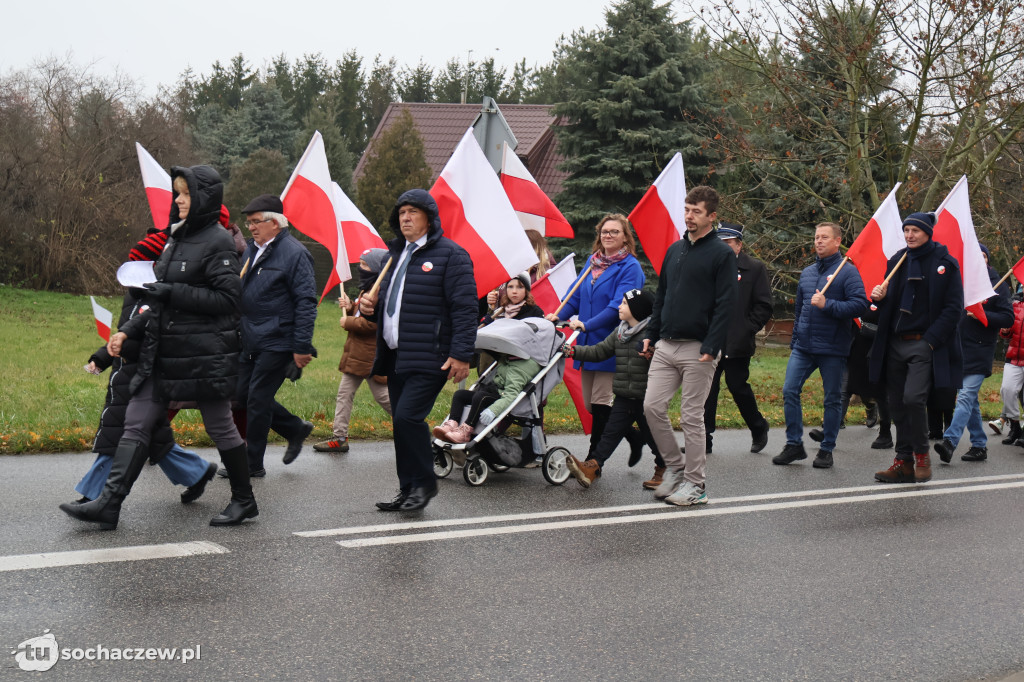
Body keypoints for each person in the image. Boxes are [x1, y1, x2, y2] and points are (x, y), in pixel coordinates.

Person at [60, 165, 255, 528]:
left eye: (184, 194)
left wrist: (174, 292)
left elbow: (230, 300)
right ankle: (109, 505)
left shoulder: (218, 241)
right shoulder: (175, 239)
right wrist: (127, 332)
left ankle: (244, 500)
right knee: (135, 420)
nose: (178, 200)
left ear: (202, 199)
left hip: (203, 356)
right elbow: (157, 301)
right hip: (163, 353)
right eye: (177, 193)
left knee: (220, 426)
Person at [69, 228, 217, 507]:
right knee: (153, 438)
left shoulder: (163, 298)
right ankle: (196, 472)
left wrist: (122, 348)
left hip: (144, 378)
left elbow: (155, 341)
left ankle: (92, 496)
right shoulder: (134, 295)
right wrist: (103, 356)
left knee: (118, 437)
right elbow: (125, 333)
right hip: (125, 374)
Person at [359, 189, 477, 512]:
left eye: (412, 212)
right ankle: (408, 487)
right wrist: (369, 306)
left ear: (429, 218)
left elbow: (465, 308)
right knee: (400, 422)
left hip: (432, 355)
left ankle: (425, 484)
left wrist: (462, 354)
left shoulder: (452, 255)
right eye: (401, 213)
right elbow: (389, 303)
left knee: (409, 417)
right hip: (397, 354)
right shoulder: (393, 256)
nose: (405, 218)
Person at [642, 186, 737, 506]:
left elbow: (726, 305)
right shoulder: (675, 250)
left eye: (696, 211)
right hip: (667, 345)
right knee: (651, 407)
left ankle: (697, 486)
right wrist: (651, 335)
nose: (689, 216)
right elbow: (662, 298)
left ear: (712, 216)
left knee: (691, 417)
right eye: (686, 209)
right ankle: (675, 467)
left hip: (700, 348)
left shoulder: (722, 254)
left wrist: (712, 345)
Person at [226, 194, 316, 478]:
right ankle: (293, 428)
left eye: (257, 222)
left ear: (275, 223)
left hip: (278, 339)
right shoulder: (253, 250)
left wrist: (301, 346)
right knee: (241, 394)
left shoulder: (295, 253)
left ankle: (250, 465)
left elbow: (305, 302)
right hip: (250, 338)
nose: (251, 228)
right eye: (249, 222)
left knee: (257, 399)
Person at [870, 212, 963, 483]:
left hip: (924, 343)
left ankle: (922, 454)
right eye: (906, 230)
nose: (910, 235)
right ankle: (903, 462)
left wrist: (931, 340)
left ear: (928, 233)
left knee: (914, 398)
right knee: (896, 403)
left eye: (915, 230)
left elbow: (953, 308)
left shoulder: (945, 263)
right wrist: (879, 298)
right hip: (895, 343)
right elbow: (884, 307)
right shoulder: (897, 261)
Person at [546, 214, 645, 462]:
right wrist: (557, 317)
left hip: (613, 343)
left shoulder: (630, 267)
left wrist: (587, 325)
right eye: (604, 231)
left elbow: (617, 307)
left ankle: (593, 460)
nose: (608, 236)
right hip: (587, 342)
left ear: (625, 237)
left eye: (614, 232)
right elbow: (575, 296)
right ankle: (634, 436)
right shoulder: (593, 262)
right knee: (593, 406)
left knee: (601, 404)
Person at [773, 223, 867, 469]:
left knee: (832, 399)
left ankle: (826, 450)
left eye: (824, 237)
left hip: (833, 348)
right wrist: (795, 340)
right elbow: (800, 310)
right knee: (789, 391)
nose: (819, 241)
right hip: (804, 347)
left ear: (837, 241)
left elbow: (860, 305)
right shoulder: (807, 273)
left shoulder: (847, 272)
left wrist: (829, 304)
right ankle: (794, 444)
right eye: (816, 237)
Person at [564, 289, 666, 488]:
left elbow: (665, 362)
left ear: (637, 309)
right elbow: (599, 351)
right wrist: (574, 351)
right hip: (624, 395)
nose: (619, 307)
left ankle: (665, 469)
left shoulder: (652, 334)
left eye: (624, 304)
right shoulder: (620, 332)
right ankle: (592, 467)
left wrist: (653, 355)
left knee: (653, 437)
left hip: (647, 397)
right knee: (609, 434)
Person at [934, 244, 1012, 463]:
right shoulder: (959, 282)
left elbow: (1007, 318)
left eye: (983, 255)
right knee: (971, 401)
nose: (979, 259)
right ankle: (979, 445)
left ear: (987, 260)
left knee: (965, 396)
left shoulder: (998, 286)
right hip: (958, 347)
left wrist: (981, 315)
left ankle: (949, 442)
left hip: (981, 349)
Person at [703, 222, 774, 455]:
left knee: (737, 387)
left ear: (739, 245)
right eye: (719, 243)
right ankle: (705, 438)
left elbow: (764, 306)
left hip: (737, 341)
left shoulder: (754, 268)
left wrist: (746, 328)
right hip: (711, 340)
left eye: (728, 243)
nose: (722, 247)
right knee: (707, 390)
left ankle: (758, 426)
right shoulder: (710, 267)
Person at [314, 249, 393, 454]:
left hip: (368, 356)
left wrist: (348, 321)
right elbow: (360, 315)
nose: (360, 268)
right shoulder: (366, 291)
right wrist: (350, 307)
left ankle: (411, 425)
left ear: (376, 268)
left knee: (383, 397)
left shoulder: (378, 294)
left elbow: (375, 325)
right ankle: (340, 437)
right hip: (356, 354)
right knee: (344, 394)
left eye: (365, 265)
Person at [432, 348, 540, 444]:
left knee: (480, 397)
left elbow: (510, 396)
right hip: (494, 390)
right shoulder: (507, 359)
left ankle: (466, 431)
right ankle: (451, 424)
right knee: (460, 395)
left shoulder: (519, 370)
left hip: (502, 397)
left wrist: (493, 410)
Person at [995, 286, 1024, 446]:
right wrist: (1005, 330)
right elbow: (1007, 333)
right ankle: (1015, 426)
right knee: (1007, 390)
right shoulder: (1015, 305)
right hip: (1014, 358)